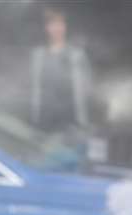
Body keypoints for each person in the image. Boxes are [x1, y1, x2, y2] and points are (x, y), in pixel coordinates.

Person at [28, 5, 95, 135]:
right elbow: (32, 89)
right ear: (46, 28)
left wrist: (83, 122)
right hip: (43, 124)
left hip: (71, 126)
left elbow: (87, 88)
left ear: (66, 27)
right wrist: (34, 120)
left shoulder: (77, 55)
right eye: (52, 24)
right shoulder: (38, 56)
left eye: (60, 24)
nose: (57, 28)